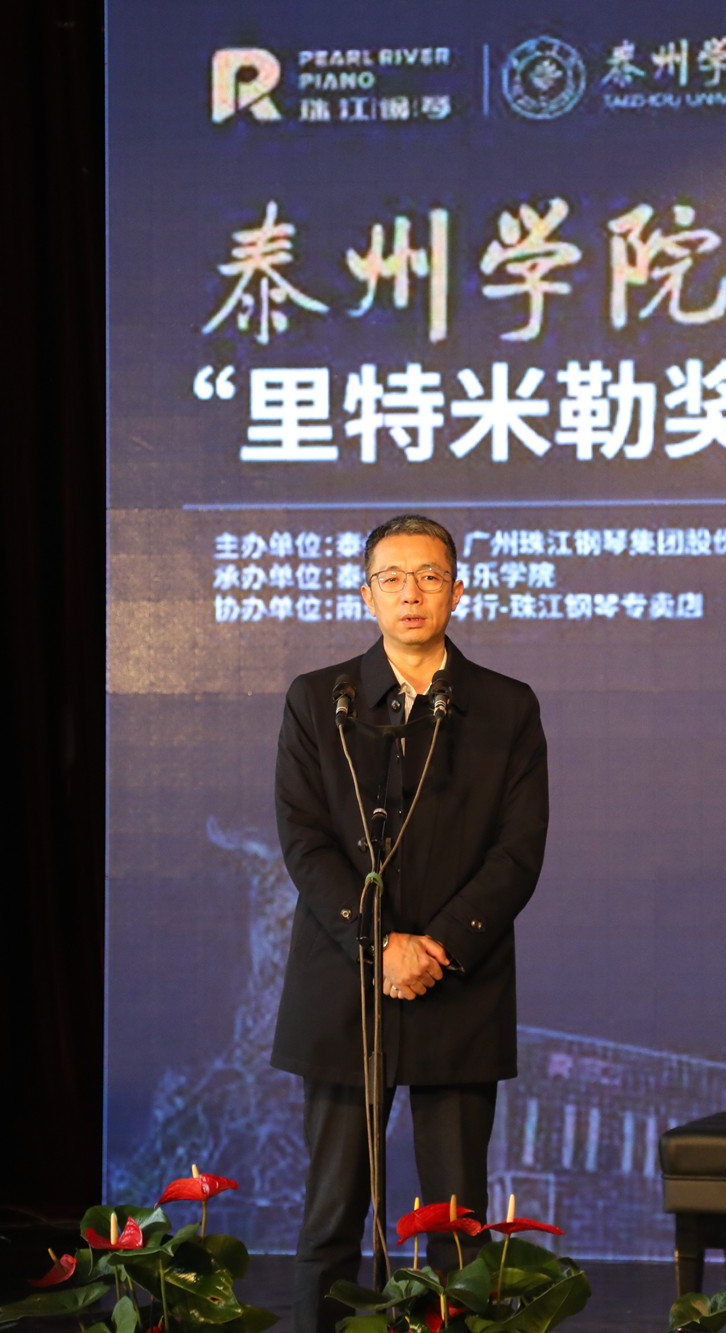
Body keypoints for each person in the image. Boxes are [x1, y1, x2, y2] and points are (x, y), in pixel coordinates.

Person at [272, 514, 549, 1333]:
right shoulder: (319, 699)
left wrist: (439, 946)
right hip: (344, 986)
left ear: (458, 590)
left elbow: (518, 850)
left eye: (429, 576)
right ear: (367, 594)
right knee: (331, 1216)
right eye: (392, 577)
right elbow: (304, 838)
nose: (411, 593)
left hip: (457, 987)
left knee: (455, 1226)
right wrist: (379, 943)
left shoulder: (505, 706)